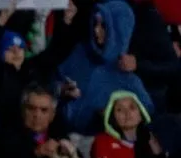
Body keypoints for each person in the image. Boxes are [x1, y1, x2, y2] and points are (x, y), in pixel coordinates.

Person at [56, 0, 154, 134]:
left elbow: (146, 114)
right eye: (95, 23)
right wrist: (61, 90)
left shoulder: (129, 76)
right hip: (64, 136)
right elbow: (50, 85)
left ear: (119, 30)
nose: (96, 30)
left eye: (104, 26)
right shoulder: (79, 54)